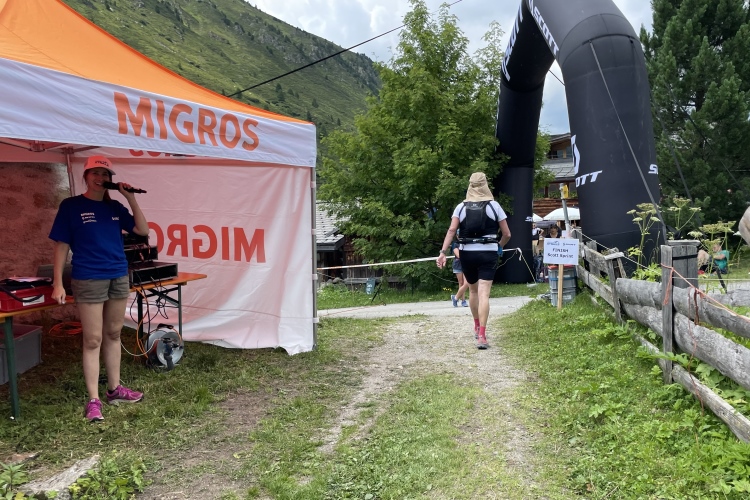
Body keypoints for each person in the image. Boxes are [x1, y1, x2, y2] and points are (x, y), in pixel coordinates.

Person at [49, 156, 150, 422]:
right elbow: (61, 245)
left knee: (114, 333)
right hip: (89, 277)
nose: (100, 178)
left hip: (118, 275)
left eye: (105, 174)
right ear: (85, 176)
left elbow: (142, 230)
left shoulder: (115, 206)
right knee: (93, 339)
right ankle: (93, 400)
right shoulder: (71, 206)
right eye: (95, 173)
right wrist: (57, 283)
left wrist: (130, 198)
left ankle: (115, 390)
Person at [436, 172, 511, 349]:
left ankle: (476, 325)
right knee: (484, 294)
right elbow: (507, 234)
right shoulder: (494, 206)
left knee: (473, 291)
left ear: (470, 186)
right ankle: (482, 336)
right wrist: (499, 246)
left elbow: (451, 231)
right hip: (488, 253)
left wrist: (442, 252)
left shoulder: (460, 208)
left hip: (467, 253)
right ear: (486, 185)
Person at [450, 238, 469, 307]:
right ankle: (463, 301)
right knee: (461, 283)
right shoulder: (455, 244)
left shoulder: (467, 243)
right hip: (458, 265)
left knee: (466, 283)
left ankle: (455, 297)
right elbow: (459, 255)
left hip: (466, 264)